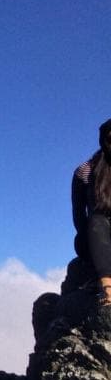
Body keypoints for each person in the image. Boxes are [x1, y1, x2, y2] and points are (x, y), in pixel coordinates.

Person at [73, 118, 111, 305]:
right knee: (96, 221)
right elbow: (79, 215)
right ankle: (107, 287)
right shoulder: (86, 170)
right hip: (97, 238)